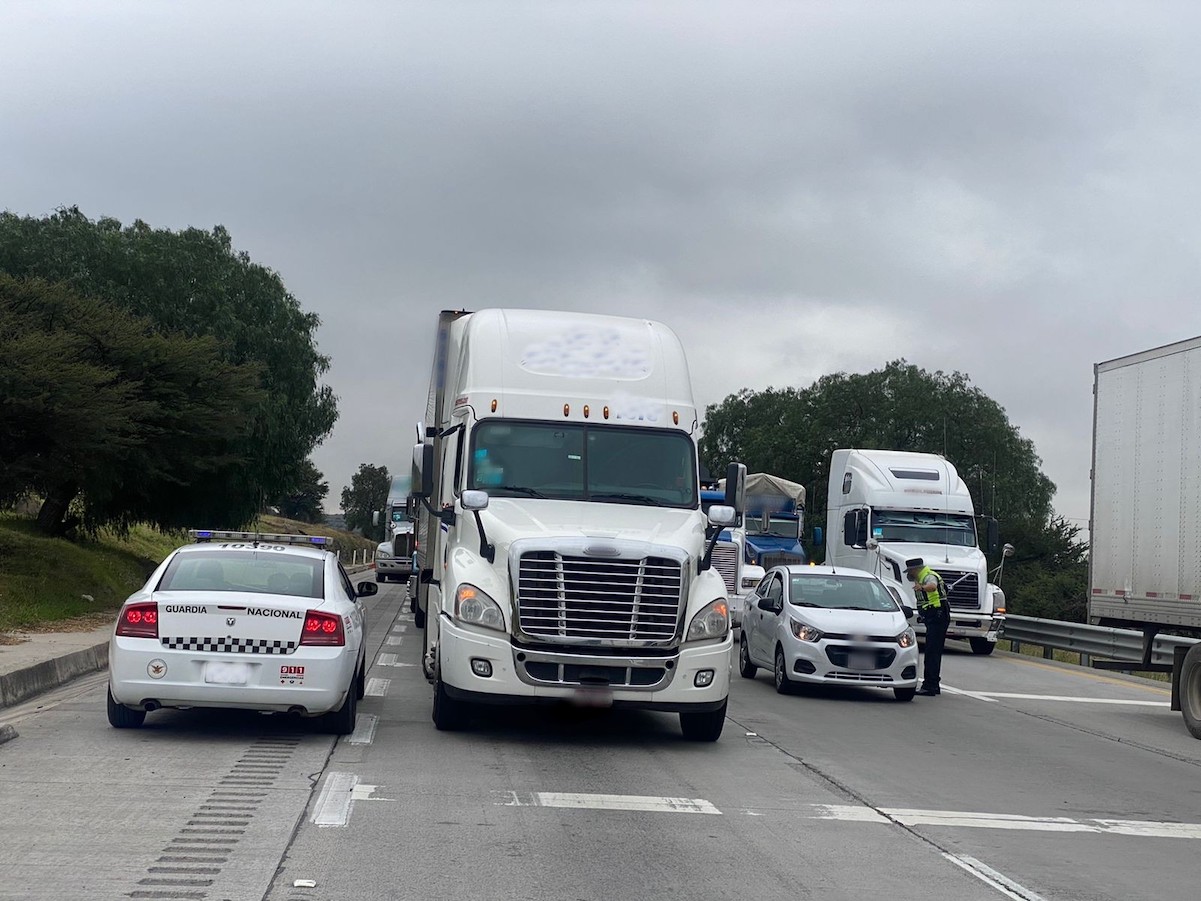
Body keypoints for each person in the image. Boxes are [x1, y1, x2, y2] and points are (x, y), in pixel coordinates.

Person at [906, 557, 950, 696]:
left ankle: (930, 685)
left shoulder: (928, 576)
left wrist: (922, 587)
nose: (909, 574)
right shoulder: (923, 576)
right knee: (933, 652)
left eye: (910, 571)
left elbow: (932, 586)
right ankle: (933, 684)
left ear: (915, 569)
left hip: (937, 615)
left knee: (932, 652)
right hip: (934, 615)